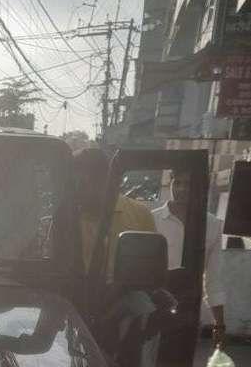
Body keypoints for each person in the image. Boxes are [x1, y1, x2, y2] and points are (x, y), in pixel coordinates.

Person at [152, 171, 226, 347]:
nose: (183, 189)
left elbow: (214, 278)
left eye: (189, 184)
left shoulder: (212, 225)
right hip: (154, 310)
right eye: (177, 183)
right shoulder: (151, 220)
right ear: (170, 183)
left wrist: (219, 325)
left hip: (189, 314)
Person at [73, 148, 156, 277]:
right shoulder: (65, 219)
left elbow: (151, 270)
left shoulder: (140, 214)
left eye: (83, 184)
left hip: (127, 294)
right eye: (75, 184)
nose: (78, 191)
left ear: (106, 179)